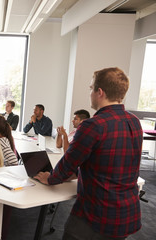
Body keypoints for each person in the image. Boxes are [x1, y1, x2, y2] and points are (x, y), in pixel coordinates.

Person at [35, 67, 143, 239]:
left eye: (91, 88)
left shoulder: (93, 125)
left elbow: (68, 162)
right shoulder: (134, 121)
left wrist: (51, 178)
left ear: (100, 92)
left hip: (95, 216)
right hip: (125, 214)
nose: (90, 93)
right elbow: (110, 161)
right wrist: (77, 173)